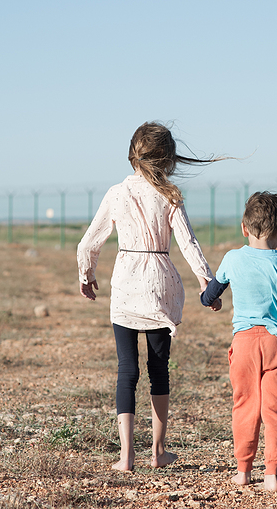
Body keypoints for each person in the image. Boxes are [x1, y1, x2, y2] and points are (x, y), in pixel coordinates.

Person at [77, 121, 224, 472]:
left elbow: (89, 242)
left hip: (126, 284)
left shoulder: (116, 193)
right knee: (159, 371)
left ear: (131, 157)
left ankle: (125, 457)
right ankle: (157, 453)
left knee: (126, 371)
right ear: (168, 161)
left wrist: (87, 275)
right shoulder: (170, 196)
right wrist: (208, 282)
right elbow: (189, 244)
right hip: (160, 284)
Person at [200, 191, 277, 492]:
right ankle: (272, 475)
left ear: (244, 227)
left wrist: (209, 298)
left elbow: (209, 296)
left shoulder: (232, 258)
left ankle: (242, 471)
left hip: (242, 345)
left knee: (244, 406)